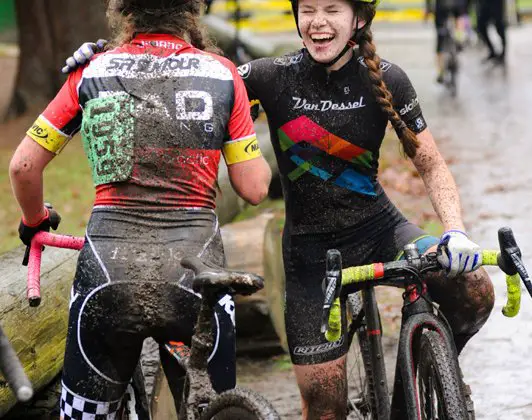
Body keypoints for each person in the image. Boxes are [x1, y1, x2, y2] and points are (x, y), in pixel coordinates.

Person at [64, 0, 496, 416]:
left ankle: (415, 388)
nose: (317, 22)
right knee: (326, 409)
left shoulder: (388, 78)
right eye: (307, 10)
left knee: (474, 288)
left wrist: (455, 229)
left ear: (359, 19)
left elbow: (430, 163)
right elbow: (193, 75)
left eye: (331, 10)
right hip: (310, 258)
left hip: (381, 231)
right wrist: (111, 57)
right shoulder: (270, 76)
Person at [9, 0, 272, 418]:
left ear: (123, 10)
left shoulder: (92, 70)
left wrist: (34, 220)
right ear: (193, 9)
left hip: (106, 272)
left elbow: (23, 166)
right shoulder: (221, 74)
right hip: (194, 275)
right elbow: (254, 188)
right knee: (213, 410)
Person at [425, 0, 469, 83]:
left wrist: (428, 9)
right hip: (458, 4)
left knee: (440, 39)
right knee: (459, 18)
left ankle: (441, 72)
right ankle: (460, 39)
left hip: (441, 6)